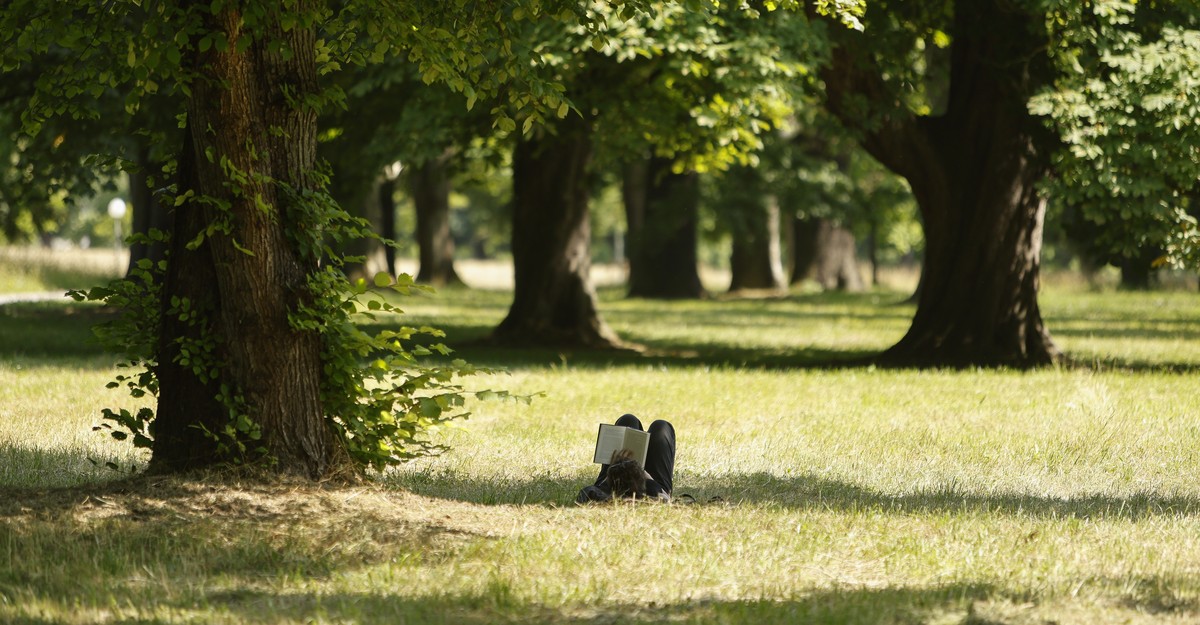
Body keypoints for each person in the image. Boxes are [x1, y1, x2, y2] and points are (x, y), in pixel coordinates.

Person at [576, 413, 675, 503]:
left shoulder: (602, 496)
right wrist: (640, 471)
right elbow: (666, 500)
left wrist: (616, 467)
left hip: (612, 483)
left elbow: (585, 495)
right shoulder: (652, 495)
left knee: (627, 420)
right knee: (661, 426)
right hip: (651, 485)